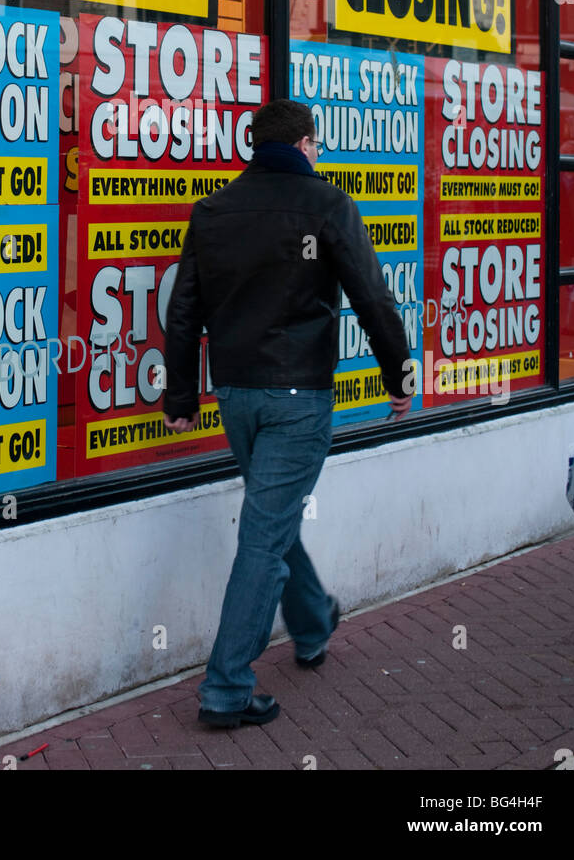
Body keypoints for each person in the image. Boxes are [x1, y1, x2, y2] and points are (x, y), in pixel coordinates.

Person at [162, 97, 413, 728]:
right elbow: (372, 296)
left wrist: (181, 397)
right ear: (303, 144)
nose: (320, 153)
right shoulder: (326, 204)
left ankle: (310, 621)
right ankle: (225, 689)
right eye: (318, 144)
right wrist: (398, 373)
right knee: (263, 537)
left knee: (270, 521)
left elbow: (184, 309)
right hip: (298, 397)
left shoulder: (213, 211)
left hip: (237, 396)